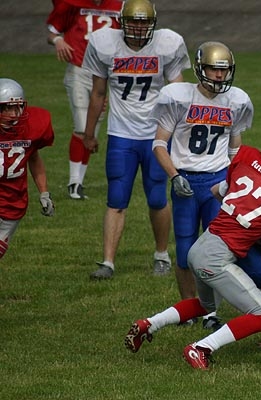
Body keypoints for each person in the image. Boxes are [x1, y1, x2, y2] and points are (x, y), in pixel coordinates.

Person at [125, 140, 261, 368]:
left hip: (202, 245)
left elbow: (216, 191)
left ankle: (148, 324)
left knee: (206, 305)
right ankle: (201, 348)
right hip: (218, 258)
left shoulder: (250, 159)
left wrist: (242, 211)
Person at [82, 0, 191, 279]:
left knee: (157, 197)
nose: (139, 27)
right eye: (134, 21)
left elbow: (178, 92)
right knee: (116, 197)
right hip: (121, 133)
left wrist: (180, 132)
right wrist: (89, 132)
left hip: (155, 135)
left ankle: (161, 255)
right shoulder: (105, 44)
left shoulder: (167, 44)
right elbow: (98, 93)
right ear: (122, 22)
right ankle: (107, 262)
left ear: (153, 23)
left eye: (144, 22)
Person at [151, 41, 253, 310]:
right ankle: (188, 308)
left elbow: (236, 149)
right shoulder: (179, 97)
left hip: (216, 183)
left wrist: (233, 181)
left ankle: (211, 311)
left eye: (224, 69)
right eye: (213, 69)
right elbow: (159, 144)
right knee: (185, 251)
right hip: (185, 179)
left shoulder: (236, 101)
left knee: (215, 252)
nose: (219, 75)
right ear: (199, 68)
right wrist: (174, 175)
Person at [46, 0, 122, 199]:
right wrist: (58, 40)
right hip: (79, 70)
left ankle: (79, 182)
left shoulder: (119, 5)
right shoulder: (72, 3)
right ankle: (74, 183)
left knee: (92, 130)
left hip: (105, 74)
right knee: (82, 126)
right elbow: (52, 33)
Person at [0, 78, 55, 259]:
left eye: (17, 107)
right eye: (7, 108)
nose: (13, 114)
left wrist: (44, 193)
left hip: (13, 202)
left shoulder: (32, 126)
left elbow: (34, 157)